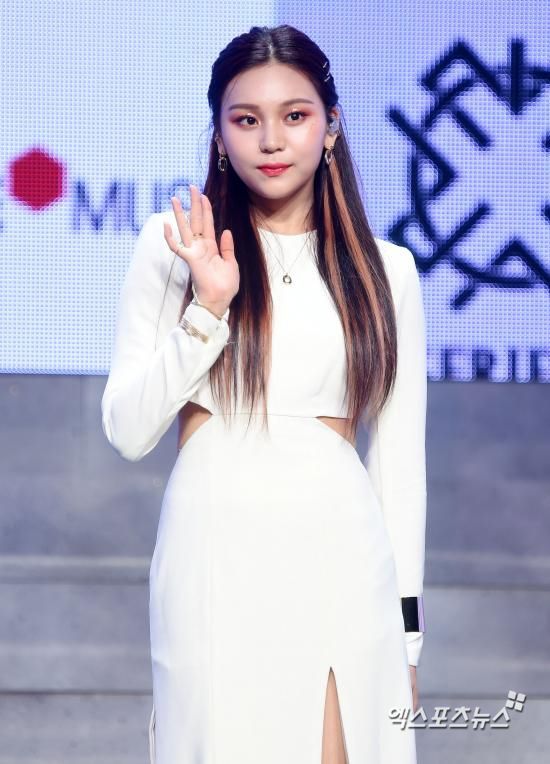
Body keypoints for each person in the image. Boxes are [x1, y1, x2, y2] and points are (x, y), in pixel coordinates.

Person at [101, 23, 427, 764]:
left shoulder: (387, 271)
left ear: (331, 126)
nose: (271, 140)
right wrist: (207, 309)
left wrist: (408, 638)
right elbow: (127, 428)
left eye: (295, 115)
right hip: (213, 550)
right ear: (219, 136)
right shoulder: (173, 246)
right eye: (246, 119)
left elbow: (399, 468)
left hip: (342, 553)